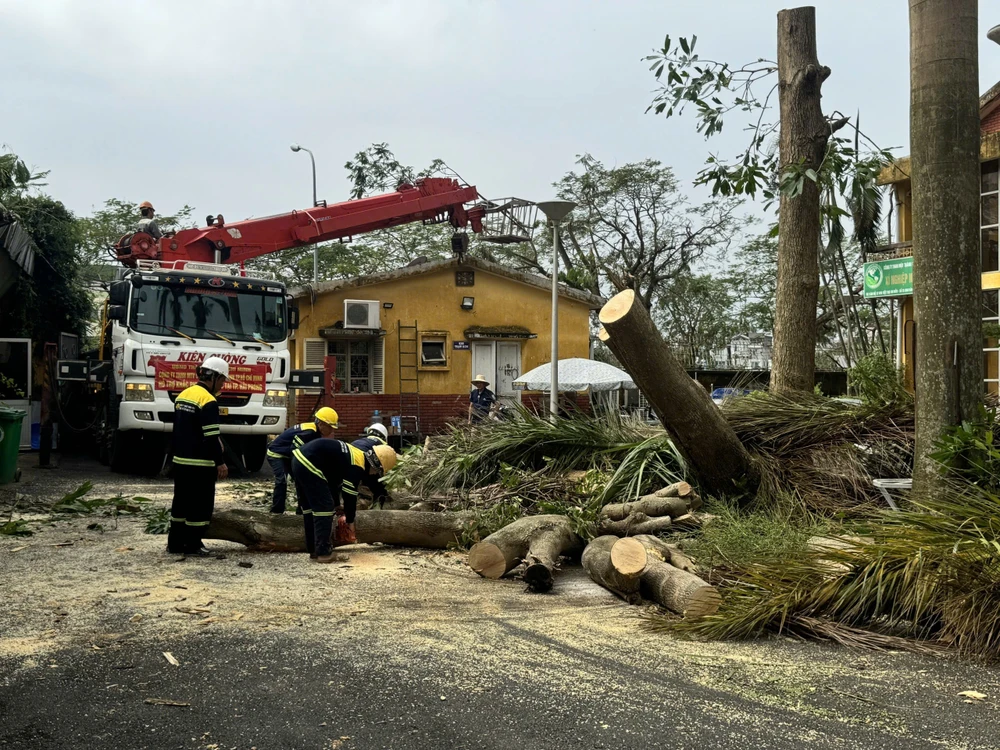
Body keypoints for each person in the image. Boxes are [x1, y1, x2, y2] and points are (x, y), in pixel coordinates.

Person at [291, 439, 398, 562]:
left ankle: (313, 550)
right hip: (308, 461)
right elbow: (349, 496)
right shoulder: (357, 465)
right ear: (376, 464)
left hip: (298, 459)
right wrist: (350, 521)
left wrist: (337, 505)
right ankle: (324, 553)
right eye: (378, 472)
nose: (374, 475)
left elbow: (332, 483)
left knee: (310, 508)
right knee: (324, 507)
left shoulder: (354, 455)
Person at [167, 356, 230, 556]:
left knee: (181, 503)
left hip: (180, 460)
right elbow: (211, 436)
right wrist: (220, 463)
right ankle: (193, 544)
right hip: (201, 463)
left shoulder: (183, 395)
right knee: (200, 505)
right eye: (222, 380)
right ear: (214, 377)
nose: (222, 385)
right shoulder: (208, 401)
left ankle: (175, 544)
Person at [265, 407, 339, 514]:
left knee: (301, 480)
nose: (332, 430)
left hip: (289, 455)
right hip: (277, 453)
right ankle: (276, 512)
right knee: (282, 481)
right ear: (321, 423)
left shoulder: (315, 432)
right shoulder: (309, 432)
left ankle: (302, 509)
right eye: (330, 427)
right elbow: (295, 451)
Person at [351, 422, 391, 508]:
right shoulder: (383, 445)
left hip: (349, 460)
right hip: (363, 462)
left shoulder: (359, 440)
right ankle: (380, 502)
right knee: (378, 481)